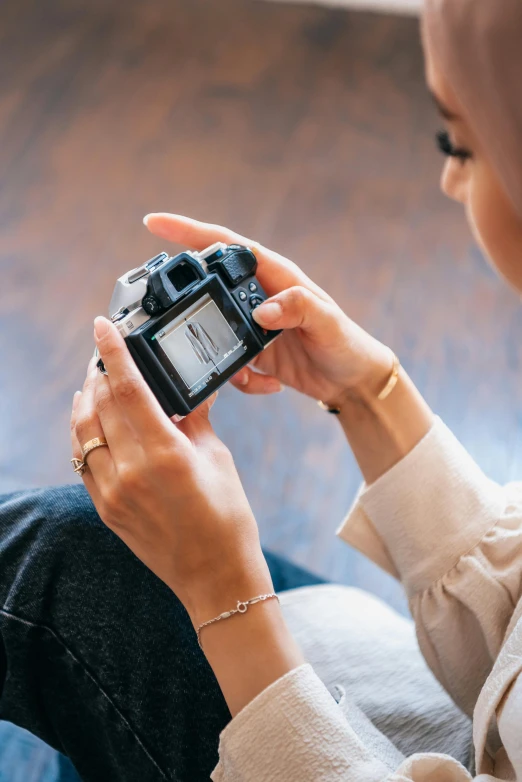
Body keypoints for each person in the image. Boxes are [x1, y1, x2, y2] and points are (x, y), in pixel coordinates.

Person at [1, 0, 521, 779]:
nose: (450, 177)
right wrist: (373, 391)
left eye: (463, 142)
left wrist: (222, 588)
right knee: (118, 557)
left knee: (60, 552)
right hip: (428, 708)